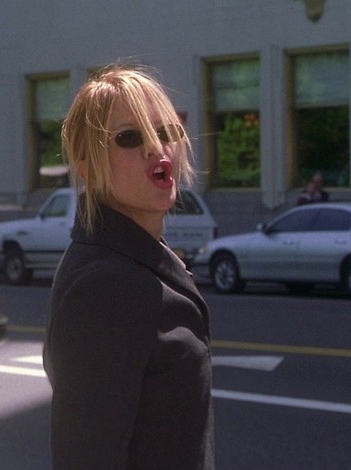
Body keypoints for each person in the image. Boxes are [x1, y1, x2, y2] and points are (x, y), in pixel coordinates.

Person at [43, 64, 214, 469]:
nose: (156, 148)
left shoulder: (139, 256)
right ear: (86, 166)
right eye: (130, 137)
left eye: (166, 131)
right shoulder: (104, 286)